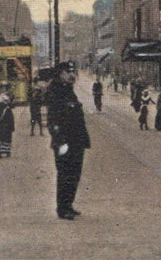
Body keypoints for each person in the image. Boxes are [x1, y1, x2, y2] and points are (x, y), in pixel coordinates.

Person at [45, 61, 90, 220]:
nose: (71, 75)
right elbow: (53, 120)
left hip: (76, 141)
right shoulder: (55, 92)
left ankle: (68, 205)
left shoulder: (68, 90)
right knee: (65, 174)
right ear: (60, 74)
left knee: (74, 174)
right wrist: (60, 142)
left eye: (72, 72)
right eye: (67, 72)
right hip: (64, 142)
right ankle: (62, 208)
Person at [0, 93, 15, 158]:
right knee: (5, 139)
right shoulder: (7, 109)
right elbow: (11, 119)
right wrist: (12, 127)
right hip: (5, 127)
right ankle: (6, 151)